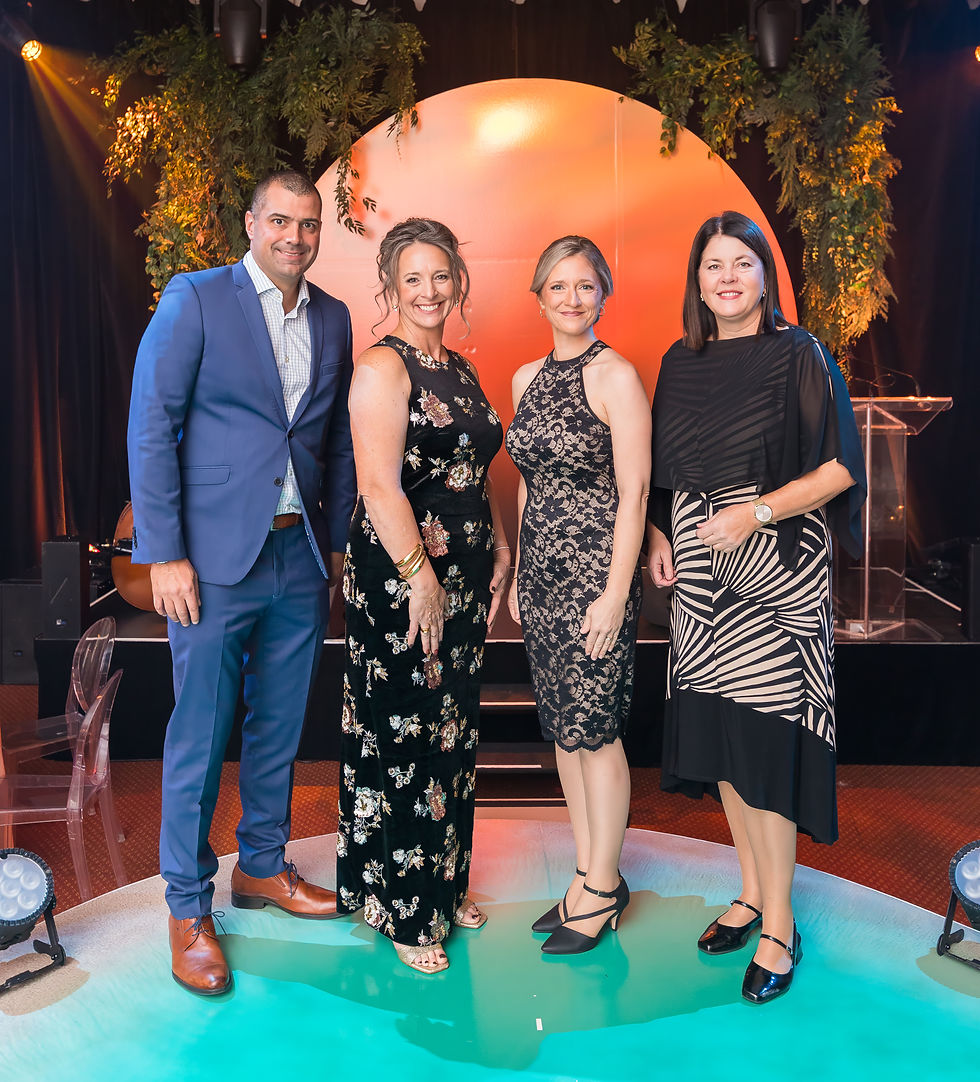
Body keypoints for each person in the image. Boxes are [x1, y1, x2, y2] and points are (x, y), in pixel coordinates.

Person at [128, 170, 356, 996]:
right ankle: (188, 908)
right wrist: (164, 554)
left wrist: (336, 546)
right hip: (212, 560)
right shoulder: (195, 299)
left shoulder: (331, 316)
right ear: (251, 223)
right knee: (202, 730)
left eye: (308, 225)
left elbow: (331, 441)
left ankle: (261, 865)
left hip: (299, 557)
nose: (294, 237)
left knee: (278, 726)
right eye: (280, 222)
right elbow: (151, 421)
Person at [646, 210, 866, 1003]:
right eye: (714, 266)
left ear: (765, 276)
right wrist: (659, 535)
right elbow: (671, 474)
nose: (728, 278)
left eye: (743, 263)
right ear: (697, 281)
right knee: (725, 743)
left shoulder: (797, 353)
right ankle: (748, 890)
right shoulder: (681, 360)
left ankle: (780, 925)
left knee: (767, 749)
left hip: (776, 569)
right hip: (705, 573)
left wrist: (756, 513)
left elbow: (841, 467)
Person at [335, 218, 509, 975]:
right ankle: (407, 915)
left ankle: (444, 886)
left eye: (441, 276)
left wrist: (498, 539)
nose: (430, 290)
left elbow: (471, 468)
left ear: (458, 281)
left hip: (463, 580)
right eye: (414, 278)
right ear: (391, 286)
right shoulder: (383, 367)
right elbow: (378, 484)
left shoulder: (461, 369)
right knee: (404, 736)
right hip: (404, 580)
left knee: (452, 734)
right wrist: (422, 578)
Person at [506, 236, 651, 956]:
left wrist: (616, 594)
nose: (571, 298)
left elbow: (637, 493)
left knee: (598, 733)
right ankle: (586, 874)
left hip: (597, 576)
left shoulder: (616, 376)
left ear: (603, 294)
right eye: (557, 286)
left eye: (585, 286)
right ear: (538, 296)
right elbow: (529, 481)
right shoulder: (524, 377)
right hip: (543, 582)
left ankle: (604, 883)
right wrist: (520, 577)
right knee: (564, 731)